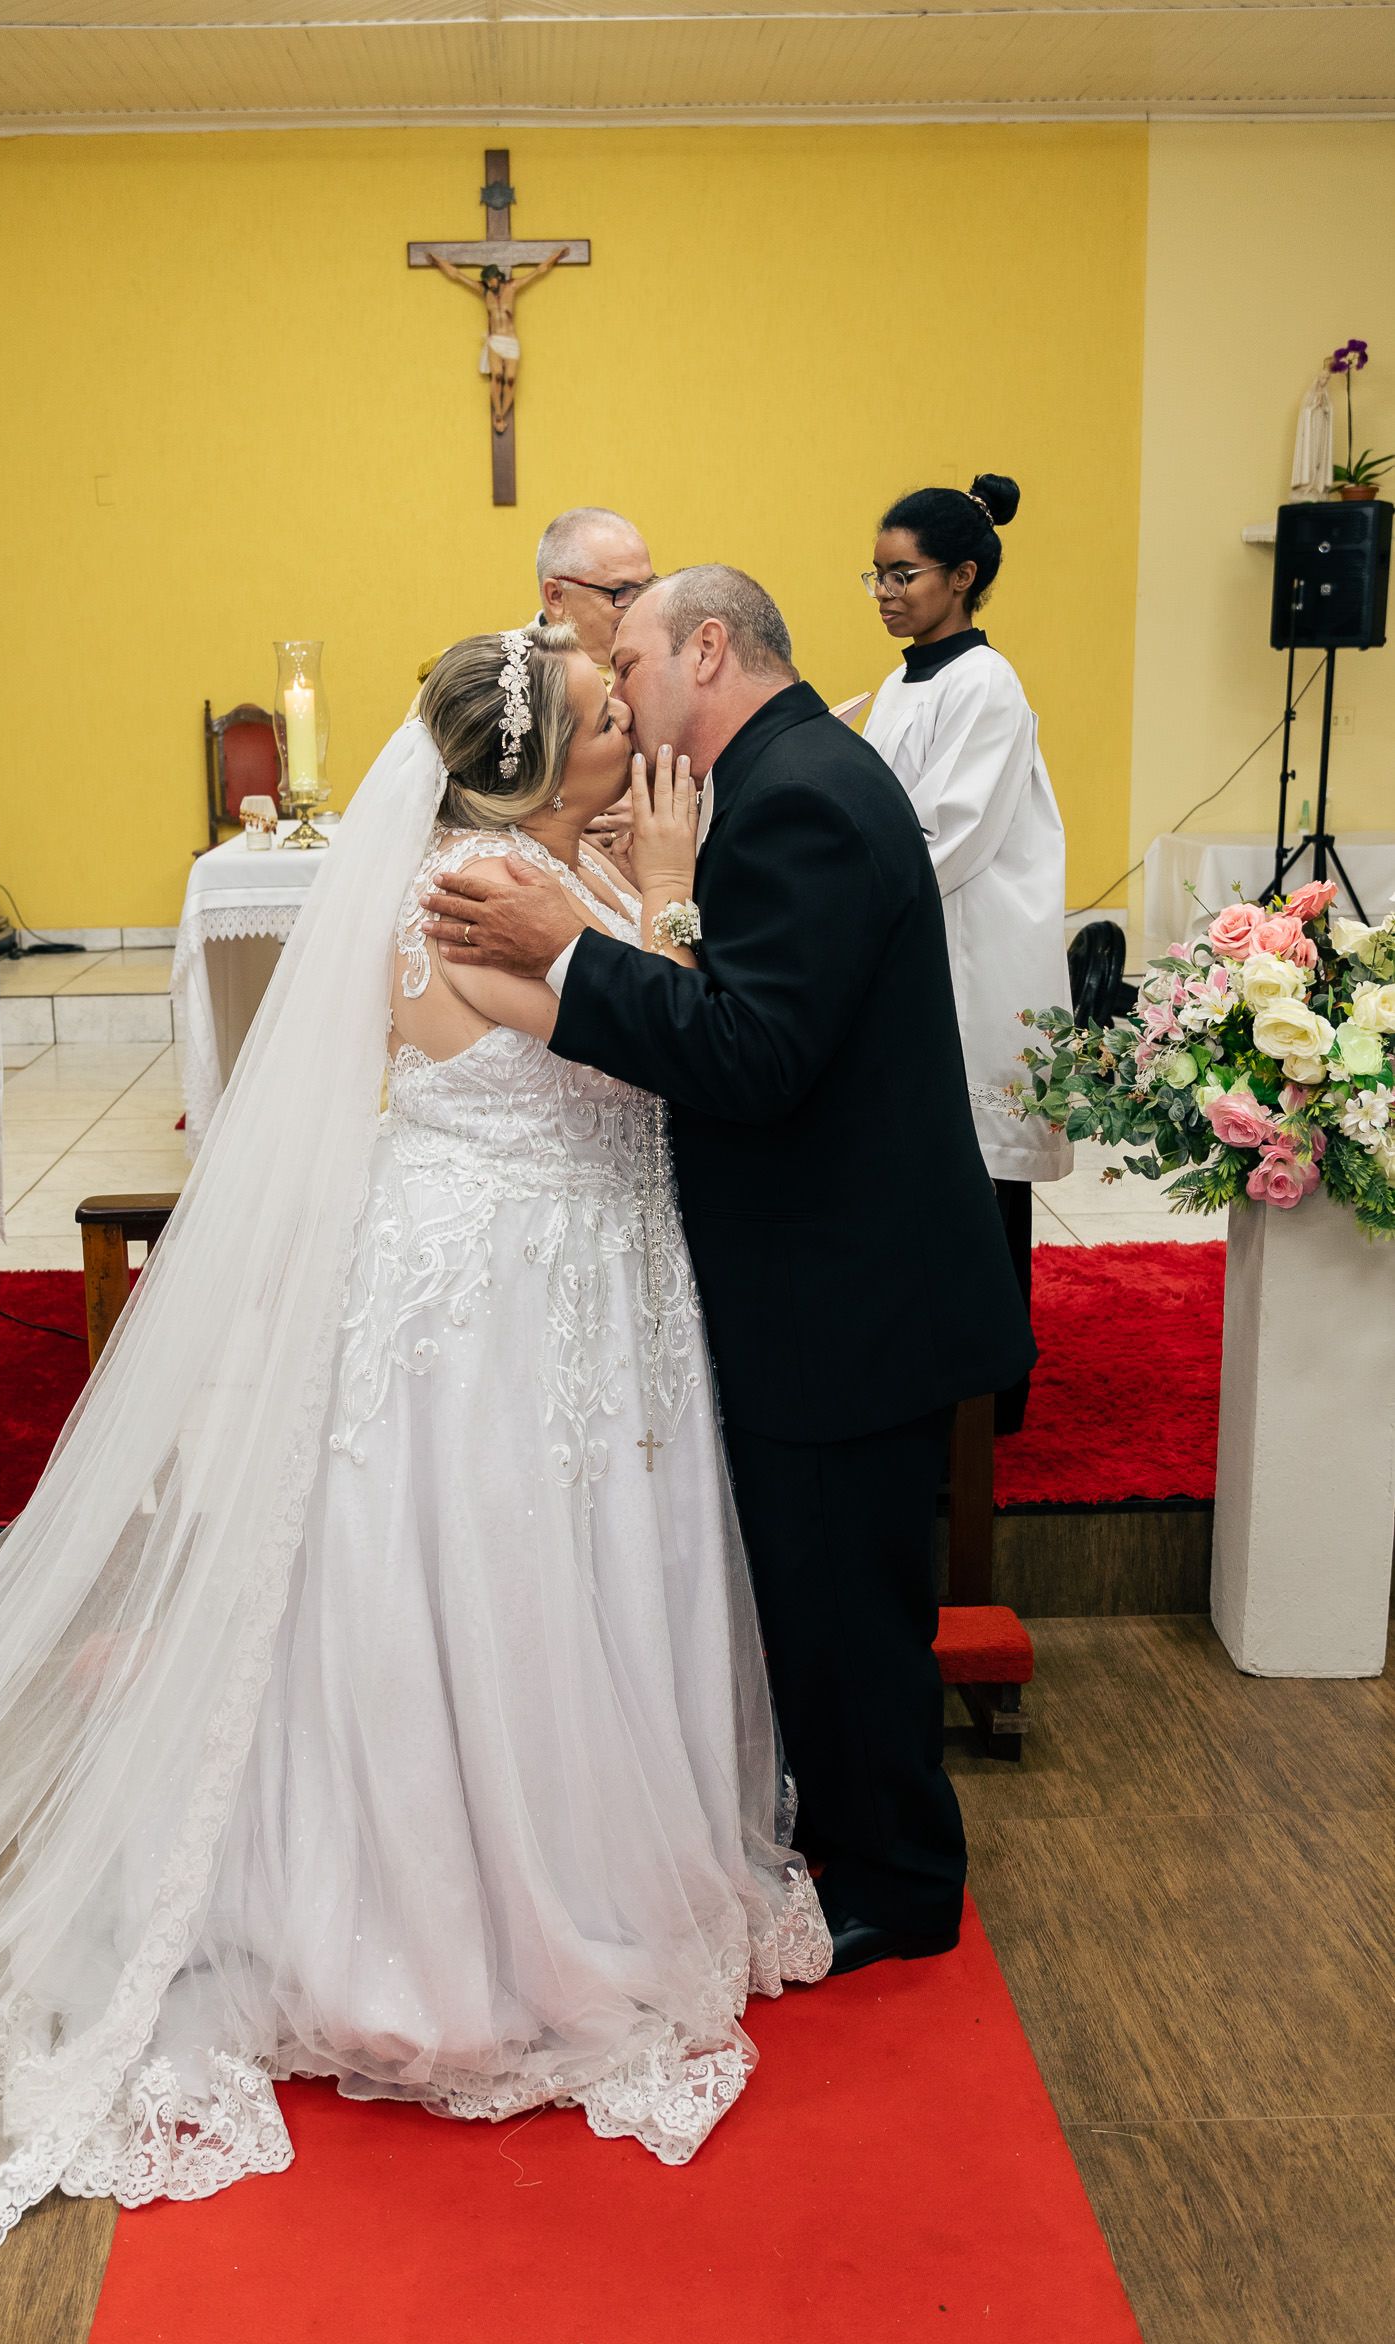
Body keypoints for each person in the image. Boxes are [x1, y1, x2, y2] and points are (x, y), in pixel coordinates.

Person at [0, 623, 830, 2344]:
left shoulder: (541, 866)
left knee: (557, 1594)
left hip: (567, 1282)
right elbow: (652, 1059)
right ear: (520, 761)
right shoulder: (486, 890)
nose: (622, 723)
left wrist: (639, 888)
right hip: (487, 1307)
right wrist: (664, 900)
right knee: (485, 1593)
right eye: (592, 714)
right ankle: (462, 1944)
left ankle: (559, 1867)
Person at [423, 566, 1034, 1979]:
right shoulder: (781, 773)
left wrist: (576, 948)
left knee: (845, 1611)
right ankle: (860, 1845)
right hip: (827, 1271)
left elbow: (752, 1056)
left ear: (706, 648)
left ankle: (896, 1885)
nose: (618, 686)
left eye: (628, 658)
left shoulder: (800, 795)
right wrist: (654, 905)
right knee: (825, 1599)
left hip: (843, 1291)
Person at [859, 474, 1073, 1431]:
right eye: (873, 576)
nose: (886, 593)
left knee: (983, 1173)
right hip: (918, 941)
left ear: (963, 574)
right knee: (931, 1168)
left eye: (903, 574)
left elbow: (947, 832)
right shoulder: (908, 680)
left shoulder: (985, 682)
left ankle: (994, 1392)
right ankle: (938, 1368)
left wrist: (843, 895)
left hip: (974, 952)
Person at [535, 506, 655, 667]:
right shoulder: (513, 682)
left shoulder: (665, 665)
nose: (640, 607)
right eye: (621, 591)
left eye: (647, 588)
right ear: (556, 596)